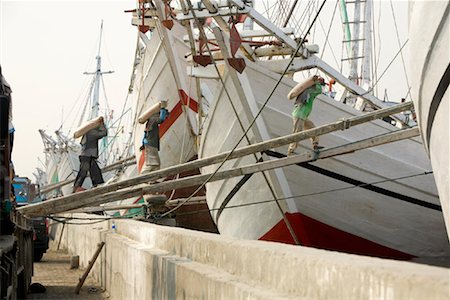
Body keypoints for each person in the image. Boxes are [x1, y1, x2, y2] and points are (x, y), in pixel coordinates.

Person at [287, 75, 324, 156]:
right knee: (297, 133)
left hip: (303, 116)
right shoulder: (308, 91)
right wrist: (318, 82)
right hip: (299, 115)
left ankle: (315, 145)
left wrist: (316, 82)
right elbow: (318, 90)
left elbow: (318, 90)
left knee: (313, 129)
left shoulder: (308, 90)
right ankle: (291, 151)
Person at [73, 117, 107, 192]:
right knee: (83, 171)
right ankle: (77, 187)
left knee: (95, 171)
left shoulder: (87, 132)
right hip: (87, 155)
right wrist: (101, 124)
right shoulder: (92, 132)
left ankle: (98, 184)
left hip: (88, 155)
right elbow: (104, 133)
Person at [141, 101, 169, 174]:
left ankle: (152, 180)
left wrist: (143, 144)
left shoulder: (150, 121)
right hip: (151, 145)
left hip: (149, 144)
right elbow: (161, 120)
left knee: (155, 164)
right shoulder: (154, 119)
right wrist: (163, 109)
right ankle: (142, 176)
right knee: (152, 164)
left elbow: (145, 134)